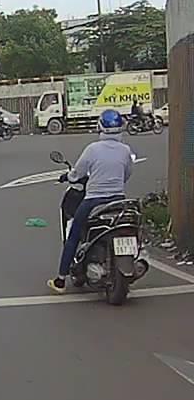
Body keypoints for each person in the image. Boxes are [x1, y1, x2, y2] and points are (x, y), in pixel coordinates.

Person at [49, 109, 133, 294]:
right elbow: (127, 174)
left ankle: (61, 280)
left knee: (74, 235)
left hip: (94, 200)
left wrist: (68, 177)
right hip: (118, 200)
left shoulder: (93, 149)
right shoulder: (125, 150)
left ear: (100, 126)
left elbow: (77, 173)